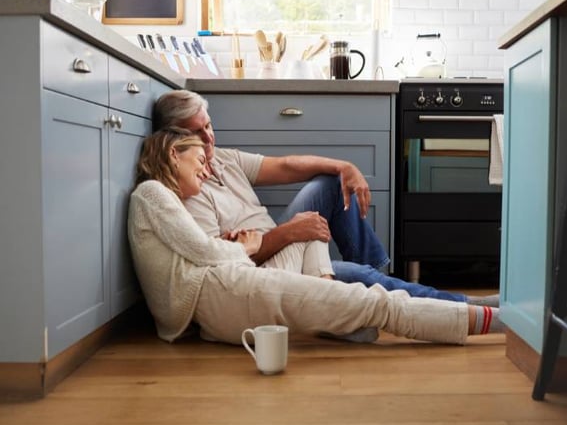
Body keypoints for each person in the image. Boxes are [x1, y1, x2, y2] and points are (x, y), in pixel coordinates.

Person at [127, 127, 504, 347]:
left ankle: (329, 298)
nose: (205, 167)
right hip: (224, 293)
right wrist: (249, 245)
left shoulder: (172, 194)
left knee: (311, 225)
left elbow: (211, 252)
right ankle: (502, 322)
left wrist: (244, 245)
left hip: (231, 285)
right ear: (173, 154)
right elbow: (208, 252)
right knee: (375, 302)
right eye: (197, 158)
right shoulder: (153, 194)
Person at [152, 90, 499, 308]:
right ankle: (465, 304)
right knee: (354, 275)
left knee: (333, 182)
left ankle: (373, 272)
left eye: (209, 125)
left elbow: (286, 165)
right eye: (197, 132)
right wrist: (290, 233)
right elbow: (229, 266)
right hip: (267, 265)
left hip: (285, 241)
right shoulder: (188, 193)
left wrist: (345, 166)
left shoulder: (223, 158)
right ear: (174, 141)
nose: (208, 136)